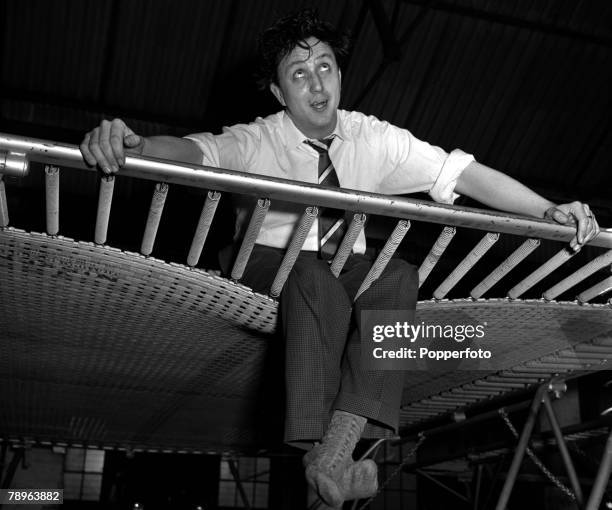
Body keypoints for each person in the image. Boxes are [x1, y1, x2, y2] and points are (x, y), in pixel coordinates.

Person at [80, 9, 599, 509]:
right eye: (299, 75)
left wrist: (548, 208)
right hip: (270, 263)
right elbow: (199, 153)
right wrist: (139, 145)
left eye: (325, 66)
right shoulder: (259, 137)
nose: (318, 86)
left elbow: (461, 172)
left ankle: (335, 452)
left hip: (348, 268)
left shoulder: (370, 136)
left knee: (398, 275)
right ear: (280, 93)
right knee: (309, 272)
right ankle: (320, 449)